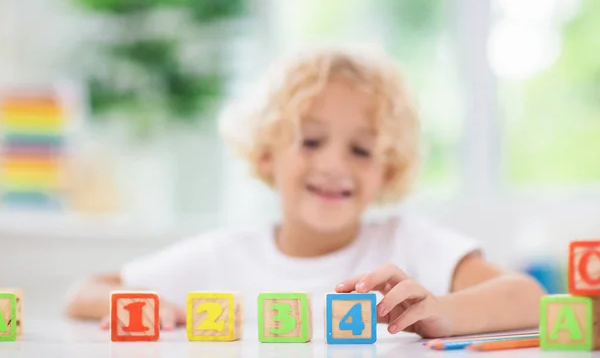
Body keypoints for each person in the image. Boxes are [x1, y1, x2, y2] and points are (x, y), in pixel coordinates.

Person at [65, 47, 545, 338]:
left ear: (388, 170)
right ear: (266, 153)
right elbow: (85, 291)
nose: (334, 165)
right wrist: (158, 309)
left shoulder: (408, 243)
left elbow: (527, 296)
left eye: (361, 149)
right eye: (311, 141)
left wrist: (443, 311)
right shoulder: (224, 256)